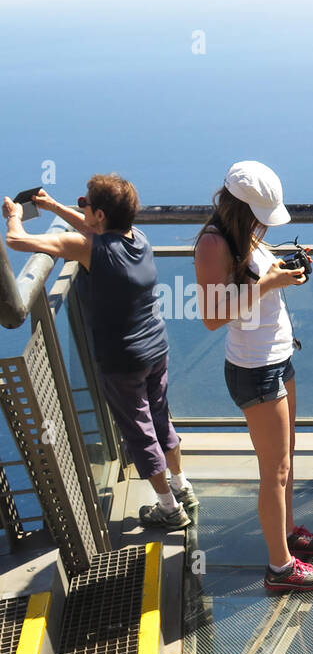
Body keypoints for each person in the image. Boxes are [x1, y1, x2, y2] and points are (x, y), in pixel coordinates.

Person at [2, 176, 196, 527]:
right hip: (157, 348)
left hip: (123, 361)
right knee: (160, 417)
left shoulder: (89, 249)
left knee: (139, 432)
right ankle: (182, 486)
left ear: (101, 214)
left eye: (84, 202)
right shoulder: (137, 237)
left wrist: (14, 215)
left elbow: (17, 241)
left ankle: (169, 508)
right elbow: (97, 232)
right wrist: (54, 206)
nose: (81, 205)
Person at [193, 160, 313, 592]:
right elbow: (213, 317)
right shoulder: (213, 244)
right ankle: (280, 567)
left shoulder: (243, 235)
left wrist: (281, 276)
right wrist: (269, 284)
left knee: (285, 460)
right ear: (242, 208)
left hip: (276, 359)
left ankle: (288, 533)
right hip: (255, 369)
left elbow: (253, 286)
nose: (265, 226)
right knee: (273, 470)